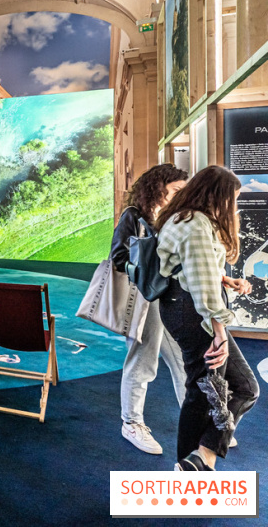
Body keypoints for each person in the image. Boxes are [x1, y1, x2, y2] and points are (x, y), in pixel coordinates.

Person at [155, 166, 259, 471]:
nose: (233, 207)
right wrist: (220, 333)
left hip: (184, 306)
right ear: (217, 194)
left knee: (244, 388)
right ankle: (191, 468)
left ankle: (201, 457)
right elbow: (201, 285)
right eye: (232, 199)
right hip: (192, 312)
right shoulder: (195, 222)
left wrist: (226, 280)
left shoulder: (184, 218)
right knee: (203, 391)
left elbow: (192, 269)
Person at [110, 164, 188, 455]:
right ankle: (131, 423)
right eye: (177, 190)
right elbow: (118, 257)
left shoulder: (174, 219)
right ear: (159, 188)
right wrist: (146, 268)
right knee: (142, 361)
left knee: (183, 361)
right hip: (145, 301)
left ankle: (199, 420)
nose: (182, 195)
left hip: (171, 301)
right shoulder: (134, 216)